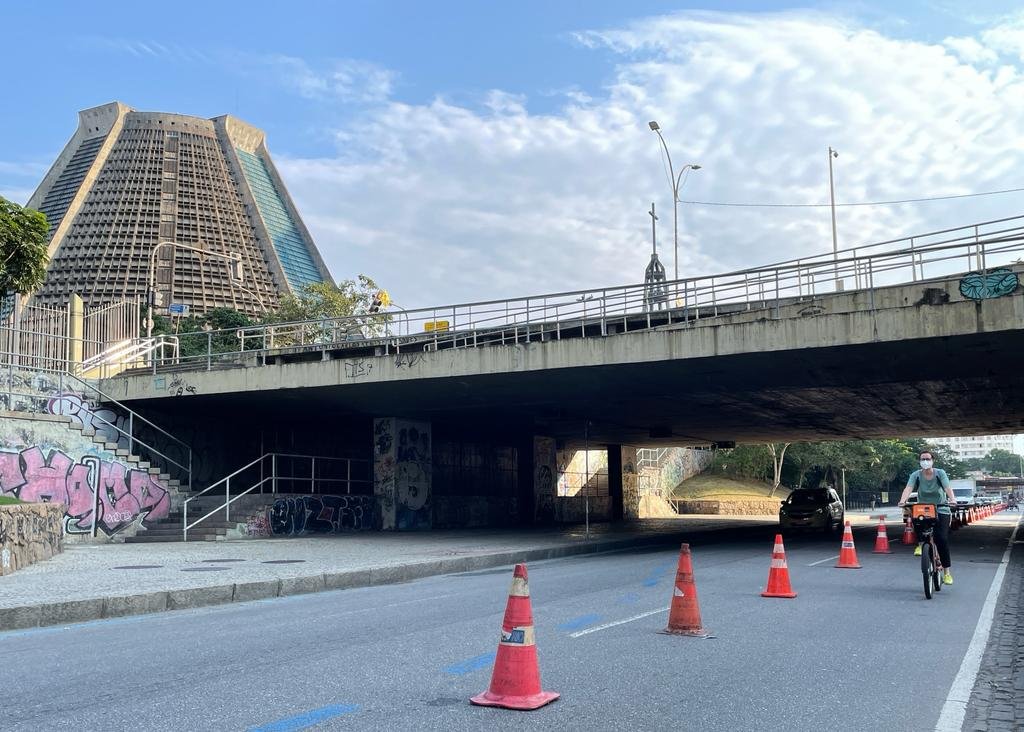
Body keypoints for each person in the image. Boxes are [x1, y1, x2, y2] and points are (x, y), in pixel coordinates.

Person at [898, 451, 957, 585]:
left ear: (932, 460)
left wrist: (952, 499)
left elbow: (947, 487)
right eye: (922, 459)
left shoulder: (939, 473)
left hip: (941, 508)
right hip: (924, 509)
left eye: (927, 459)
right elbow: (908, 488)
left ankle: (947, 573)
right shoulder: (916, 475)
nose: (925, 461)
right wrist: (902, 500)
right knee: (915, 519)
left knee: (941, 538)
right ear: (920, 461)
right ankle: (920, 545)